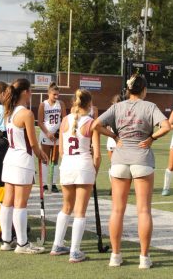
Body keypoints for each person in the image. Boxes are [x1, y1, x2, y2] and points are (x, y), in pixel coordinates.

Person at [92, 74, 170, 269]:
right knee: (143, 210)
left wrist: (114, 135)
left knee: (117, 210)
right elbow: (166, 126)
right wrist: (152, 138)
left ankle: (115, 256)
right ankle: (144, 258)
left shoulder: (117, 106)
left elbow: (95, 125)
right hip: (142, 158)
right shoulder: (150, 106)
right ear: (144, 90)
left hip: (119, 159)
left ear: (128, 90)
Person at [50, 89, 101, 263]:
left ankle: (57, 244)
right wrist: (95, 170)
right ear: (89, 104)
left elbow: (62, 151)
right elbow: (97, 155)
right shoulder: (91, 123)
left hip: (67, 166)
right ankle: (75, 251)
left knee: (66, 207)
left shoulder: (65, 120)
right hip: (83, 165)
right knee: (80, 211)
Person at [0, 78, 49, 254]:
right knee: (20, 203)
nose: (32, 94)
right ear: (26, 92)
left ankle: (6, 240)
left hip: (10, 158)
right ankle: (22, 244)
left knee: (8, 201)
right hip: (22, 160)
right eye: (31, 91)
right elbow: (33, 143)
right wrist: (42, 155)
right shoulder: (26, 114)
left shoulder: (9, 112)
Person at [38, 82, 66, 193]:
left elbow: (64, 119)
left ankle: (53, 184)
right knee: (45, 159)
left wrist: (58, 133)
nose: (56, 96)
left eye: (57, 94)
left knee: (54, 160)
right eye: (54, 94)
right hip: (46, 135)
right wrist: (48, 133)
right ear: (48, 93)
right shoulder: (43, 104)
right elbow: (40, 122)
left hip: (57, 136)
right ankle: (44, 184)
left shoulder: (61, 104)